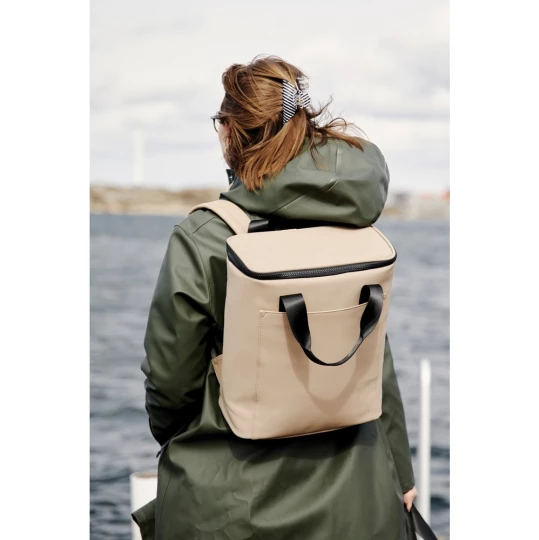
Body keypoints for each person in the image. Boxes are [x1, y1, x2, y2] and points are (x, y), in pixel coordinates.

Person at [133, 54, 418, 540]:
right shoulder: (356, 225)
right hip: (359, 497)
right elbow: (376, 363)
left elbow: (171, 388)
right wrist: (402, 475)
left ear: (231, 133)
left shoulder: (206, 237)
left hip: (232, 511)